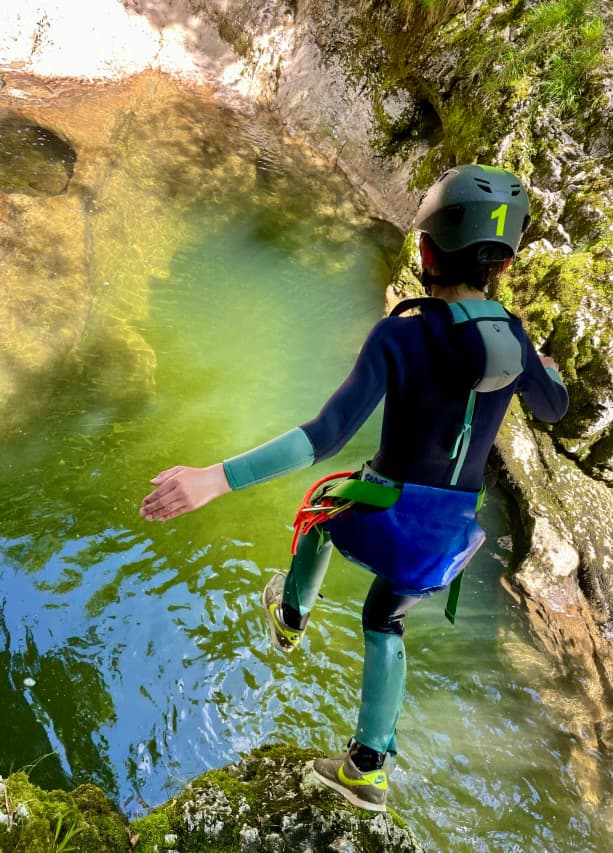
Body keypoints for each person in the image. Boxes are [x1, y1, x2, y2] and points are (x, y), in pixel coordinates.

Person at [140, 164, 569, 813]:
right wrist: (544, 370)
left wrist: (215, 477)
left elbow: (326, 435)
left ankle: (288, 615)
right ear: (502, 266)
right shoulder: (513, 337)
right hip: (451, 540)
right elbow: (555, 406)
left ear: (425, 251)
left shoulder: (401, 333)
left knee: (322, 509)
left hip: (390, 517)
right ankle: (368, 766)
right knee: (383, 617)